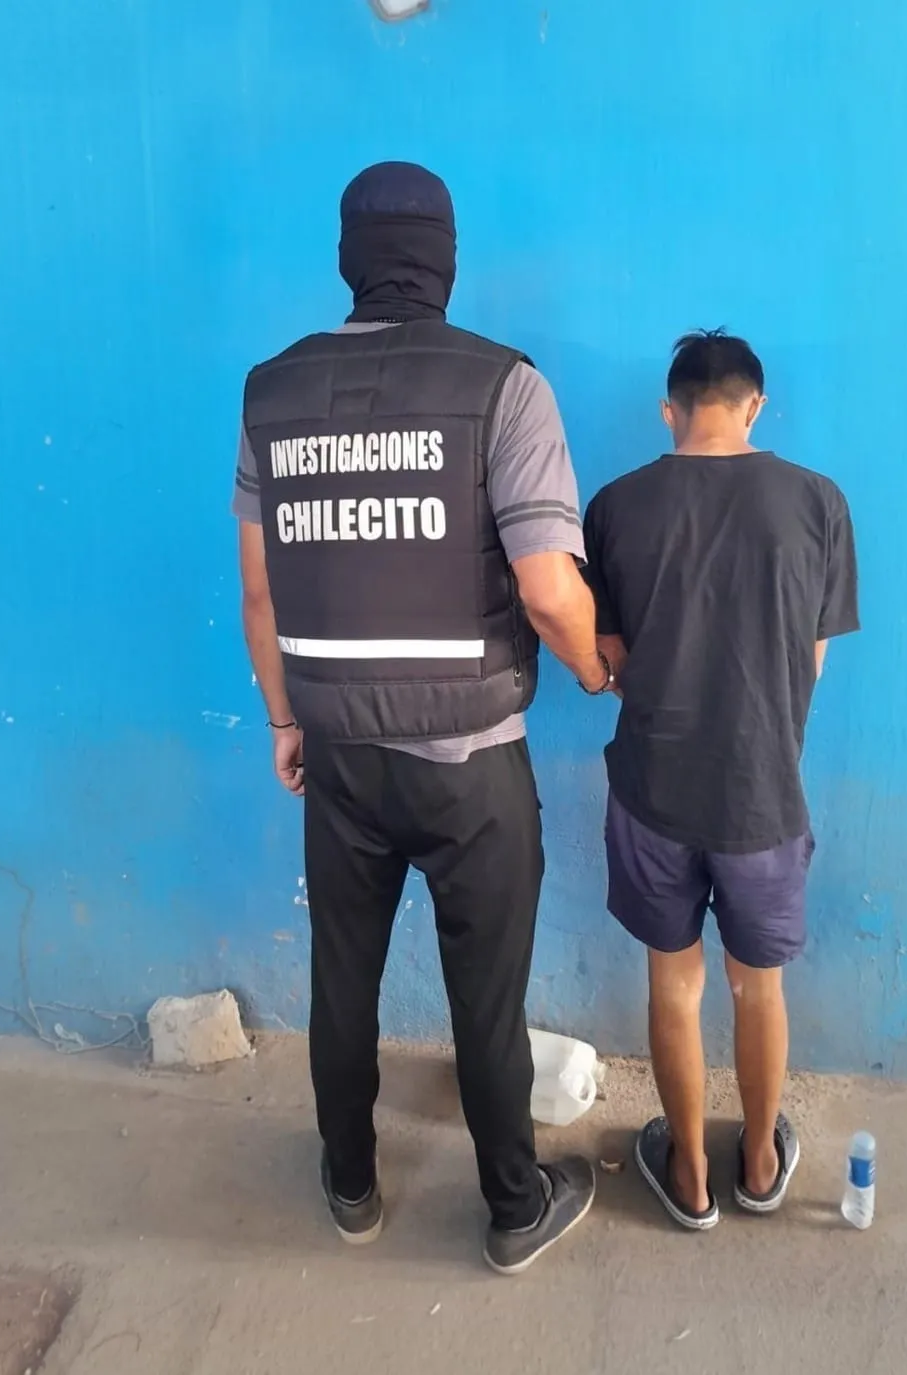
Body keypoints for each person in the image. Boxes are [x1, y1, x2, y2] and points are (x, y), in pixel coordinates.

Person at [233, 161, 613, 1274]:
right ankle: (512, 1206)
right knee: (485, 999)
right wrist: (595, 669)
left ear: (348, 261)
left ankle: (350, 1184)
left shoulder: (272, 394)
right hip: (471, 766)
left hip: (340, 756)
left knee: (342, 980)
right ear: (444, 261)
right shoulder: (505, 386)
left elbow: (259, 591)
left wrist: (285, 720)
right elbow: (548, 590)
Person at [582, 330, 859, 1229]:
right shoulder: (818, 502)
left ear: (668, 411)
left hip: (653, 789)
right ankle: (761, 1160)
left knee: (674, 983)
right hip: (762, 791)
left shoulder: (615, 505)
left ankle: (690, 1174)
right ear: (754, 406)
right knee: (757, 986)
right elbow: (809, 661)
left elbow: (609, 657)